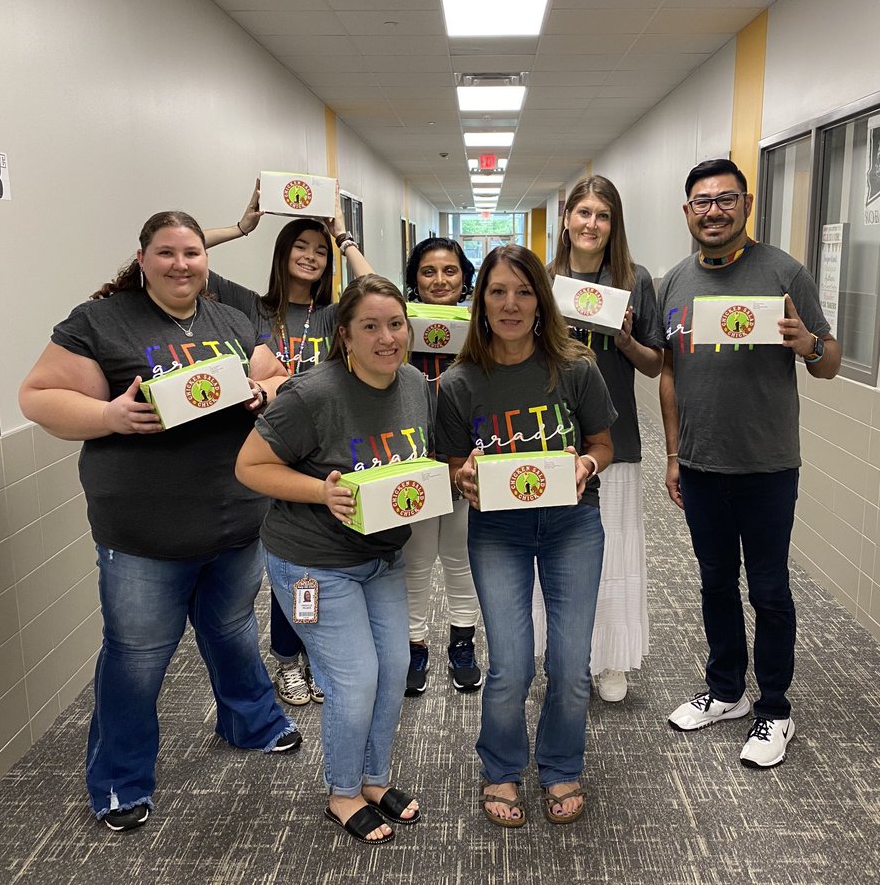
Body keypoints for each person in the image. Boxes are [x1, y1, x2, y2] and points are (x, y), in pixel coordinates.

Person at [18, 211, 300, 832]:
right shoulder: (102, 321)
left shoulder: (230, 318)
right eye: (167, 252)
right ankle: (120, 782)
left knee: (230, 629)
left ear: (206, 260)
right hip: (144, 531)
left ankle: (252, 721)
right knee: (138, 657)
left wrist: (265, 394)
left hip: (234, 519)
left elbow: (276, 376)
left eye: (192, 253)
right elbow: (38, 396)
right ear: (142, 258)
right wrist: (110, 416)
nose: (181, 264)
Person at [658, 159, 841, 768]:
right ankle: (727, 690)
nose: (714, 210)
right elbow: (668, 371)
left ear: (746, 204)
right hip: (701, 463)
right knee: (715, 583)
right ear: (688, 212)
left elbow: (830, 358)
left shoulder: (783, 271)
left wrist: (808, 344)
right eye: (702, 201)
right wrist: (672, 453)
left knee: (767, 588)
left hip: (766, 464)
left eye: (725, 199)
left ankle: (774, 711)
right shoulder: (675, 281)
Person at [235, 275, 429, 845]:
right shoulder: (312, 394)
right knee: (355, 680)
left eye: (395, 324)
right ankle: (342, 794)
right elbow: (249, 467)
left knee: (393, 670)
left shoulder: (416, 384)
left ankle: (373, 780)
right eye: (370, 326)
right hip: (313, 563)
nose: (386, 337)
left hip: (381, 558)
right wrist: (323, 491)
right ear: (344, 335)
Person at [436, 244, 616, 827]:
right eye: (497, 292)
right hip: (498, 531)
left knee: (569, 661)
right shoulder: (461, 382)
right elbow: (454, 463)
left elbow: (602, 445)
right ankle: (502, 768)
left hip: (572, 525)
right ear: (480, 301)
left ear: (541, 298)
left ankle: (562, 765)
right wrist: (462, 477)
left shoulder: (576, 367)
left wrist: (587, 467)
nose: (510, 304)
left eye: (522, 290)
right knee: (511, 664)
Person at [204, 180, 373, 708]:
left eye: (319, 252)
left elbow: (376, 286)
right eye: (301, 247)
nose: (311, 257)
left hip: (320, 453)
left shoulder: (330, 317)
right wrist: (241, 226)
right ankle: (286, 661)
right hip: (264, 449)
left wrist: (343, 238)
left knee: (307, 565)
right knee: (277, 562)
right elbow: (181, 260)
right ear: (282, 254)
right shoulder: (249, 309)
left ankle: (307, 657)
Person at [534, 175, 661, 703]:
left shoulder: (636, 279)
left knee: (613, 551)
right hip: (548, 437)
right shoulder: (543, 278)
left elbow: (655, 365)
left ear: (614, 225)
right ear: (566, 220)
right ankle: (564, 657)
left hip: (615, 439)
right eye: (583, 212)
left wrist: (625, 338)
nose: (591, 224)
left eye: (602, 215)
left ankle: (610, 660)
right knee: (556, 552)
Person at [373, 237, 483, 696]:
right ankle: (414, 644)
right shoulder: (399, 329)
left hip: (466, 459)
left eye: (451, 271)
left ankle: (463, 641)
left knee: (461, 557)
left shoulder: (483, 328)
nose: (440, 280)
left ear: (465, 278)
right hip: (412, 463)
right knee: (415, 560)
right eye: (428, 272)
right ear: (414, 280)